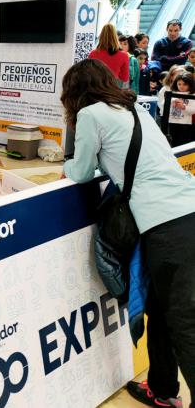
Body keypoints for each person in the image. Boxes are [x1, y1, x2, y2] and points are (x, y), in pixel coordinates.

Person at [61, 59, 195, 408]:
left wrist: (65, 163)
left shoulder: (90, 115)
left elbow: (79, 170)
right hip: (186, 209)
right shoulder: (133, 106)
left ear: (75, 93)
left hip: (167, 225)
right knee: (161, 309)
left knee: (183, 321)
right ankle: (163, 389)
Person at [166, 72, 195, 147]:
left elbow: (193, 110)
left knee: (183, 145)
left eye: (185, 84)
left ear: (190, 84)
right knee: (171, 144)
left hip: (185, 124)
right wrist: (171, 101)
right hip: (171, 122)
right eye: (179, 84)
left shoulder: (192, 95)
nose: (181, 86)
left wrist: (184, 107)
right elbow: (163, 106)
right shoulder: (171, 93)